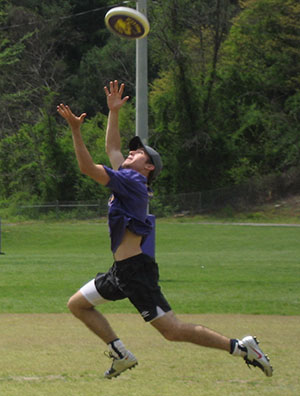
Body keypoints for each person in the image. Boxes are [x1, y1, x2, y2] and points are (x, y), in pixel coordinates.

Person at [57, 80, 273, 379]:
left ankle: (241, 347)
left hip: (136, 272)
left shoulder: (133, 183)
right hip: (121, 272)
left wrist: (76, 130)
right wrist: (114, 112)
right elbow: (113, 147)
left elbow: (87, 168)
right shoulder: (129, 178)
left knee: (172, 331)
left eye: (139, 153)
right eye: (133, 152)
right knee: (78, 305)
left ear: (149, 168)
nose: (132, 153)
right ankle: (120, 353)